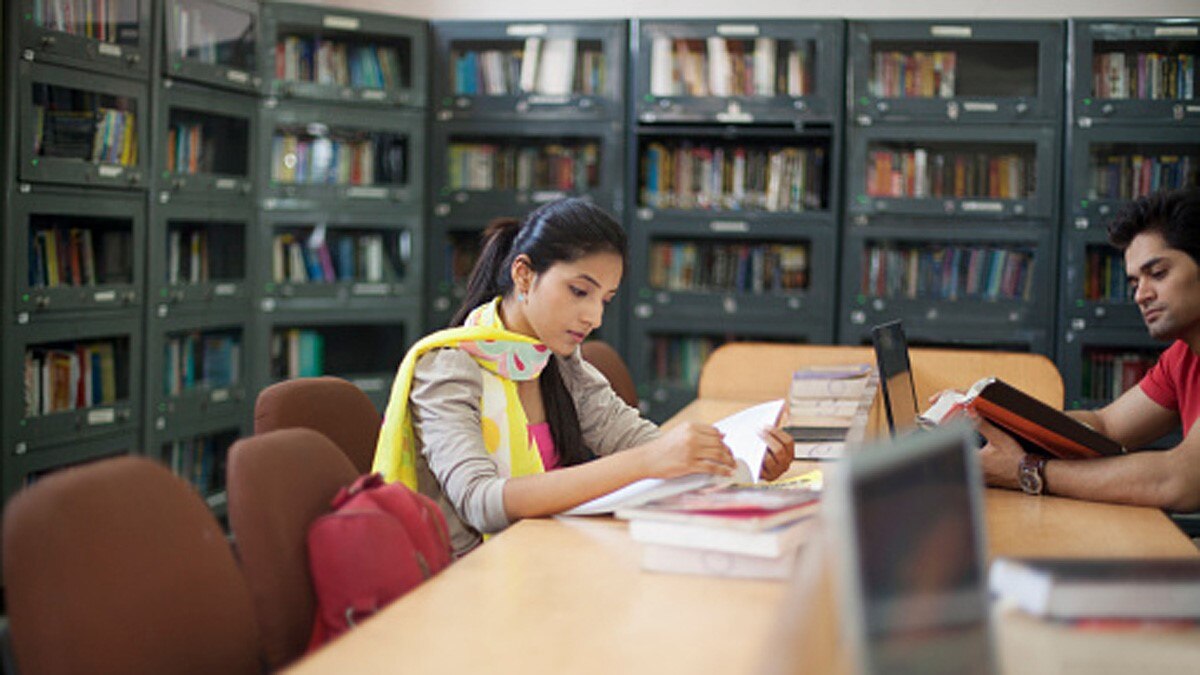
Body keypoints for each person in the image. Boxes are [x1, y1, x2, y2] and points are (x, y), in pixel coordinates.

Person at [373, 199, 794, 555]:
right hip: (477, 578)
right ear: (523, 275)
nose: (593, 317)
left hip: (548, 557)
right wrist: (648, 462)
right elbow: (481, 501)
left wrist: (739, 460)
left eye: (605, 299)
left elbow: (643, 441)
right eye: (579, 291)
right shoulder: (448, 366)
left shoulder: (556, 360)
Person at [974, 187, 1200, 512]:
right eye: (1135, 283)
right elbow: (1106, 426)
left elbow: (1180, 480)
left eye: (1158, 273)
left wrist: (1028, 470)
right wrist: (999, 423)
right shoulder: (1183, 357)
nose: (1141, 295)